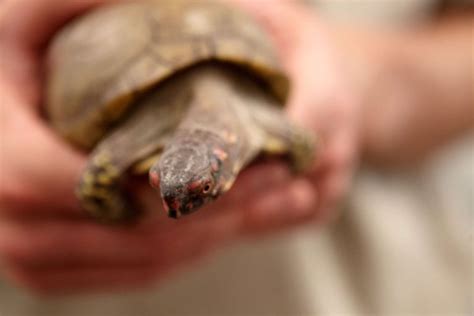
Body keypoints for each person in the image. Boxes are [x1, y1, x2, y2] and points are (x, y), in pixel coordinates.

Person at [0, 0, 471, 294]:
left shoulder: (266, 118)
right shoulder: (233, 129)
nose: (179, 201)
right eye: (166, 182)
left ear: (223, 162)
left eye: (198, 185)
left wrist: (368, 84)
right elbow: (100, 170)